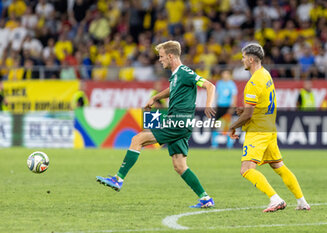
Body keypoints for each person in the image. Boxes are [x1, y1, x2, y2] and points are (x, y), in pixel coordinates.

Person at [96, 40, 216, 208]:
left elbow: (210, 86)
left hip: (178, 122)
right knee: (180, 166)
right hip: (180, 122)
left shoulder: (184, 72)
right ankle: (205, 198)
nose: (159, 60)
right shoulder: (176, 75)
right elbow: (173, 89)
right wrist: (155, 97)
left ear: (170, 56)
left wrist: (209, 105)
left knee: (138, 139)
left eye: (161, 57)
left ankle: (118, 178)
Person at [229, 43, 310, 212]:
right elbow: (261, 104)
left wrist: (233, 126)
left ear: (251, 59)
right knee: (279, 166)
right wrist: (246, 109)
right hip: (269, 128)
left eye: (243, 57)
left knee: (246, 169)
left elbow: (248, 115)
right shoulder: (265, 74)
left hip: (258, 130)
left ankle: (275, 199)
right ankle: (302, 202)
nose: (242, 60)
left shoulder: (253, 82)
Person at [212, 70, 237, 148]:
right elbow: (217, 95)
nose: (224, 75)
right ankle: (214, 145)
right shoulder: (219, 83)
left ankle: (230, 145)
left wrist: (232, 107)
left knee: (228, 126)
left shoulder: (232, 84)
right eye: (223, 73)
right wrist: (215, 105)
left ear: (229, 75)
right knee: (215, 125)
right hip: (219, 106)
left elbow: (234, 96)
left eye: (226, 73)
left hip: (227, 107)